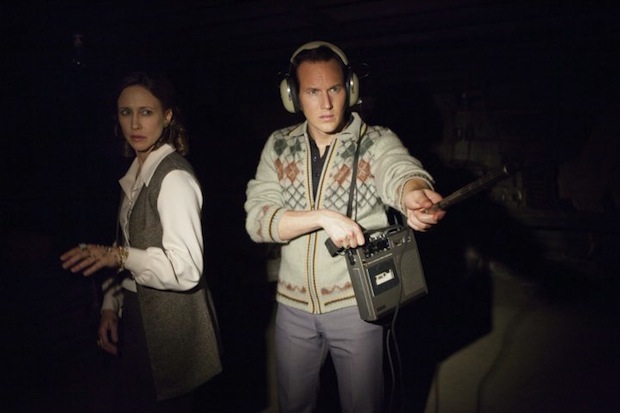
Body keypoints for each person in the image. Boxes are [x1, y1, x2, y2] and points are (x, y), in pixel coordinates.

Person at [244, 41, 446, 413]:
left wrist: (413, 193)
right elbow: (257, 221)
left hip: (356, 308)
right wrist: (322, 217)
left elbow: (399, 169)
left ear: (350, 89)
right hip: (292, 310)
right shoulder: (278, 145)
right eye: (312, 92)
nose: (326, 103)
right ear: (293, 96)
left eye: (334, 89)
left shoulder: (377, 140)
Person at [60, 71, 222, 412]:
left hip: (172, 330)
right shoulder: (135, 173)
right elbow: (124, 244)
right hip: (137, 319)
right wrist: (111, 306)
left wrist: (119, 256)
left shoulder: (174, 177)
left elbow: (186, 269)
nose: (134, 123)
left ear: (167, 116)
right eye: (126, 112)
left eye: (146, 112)